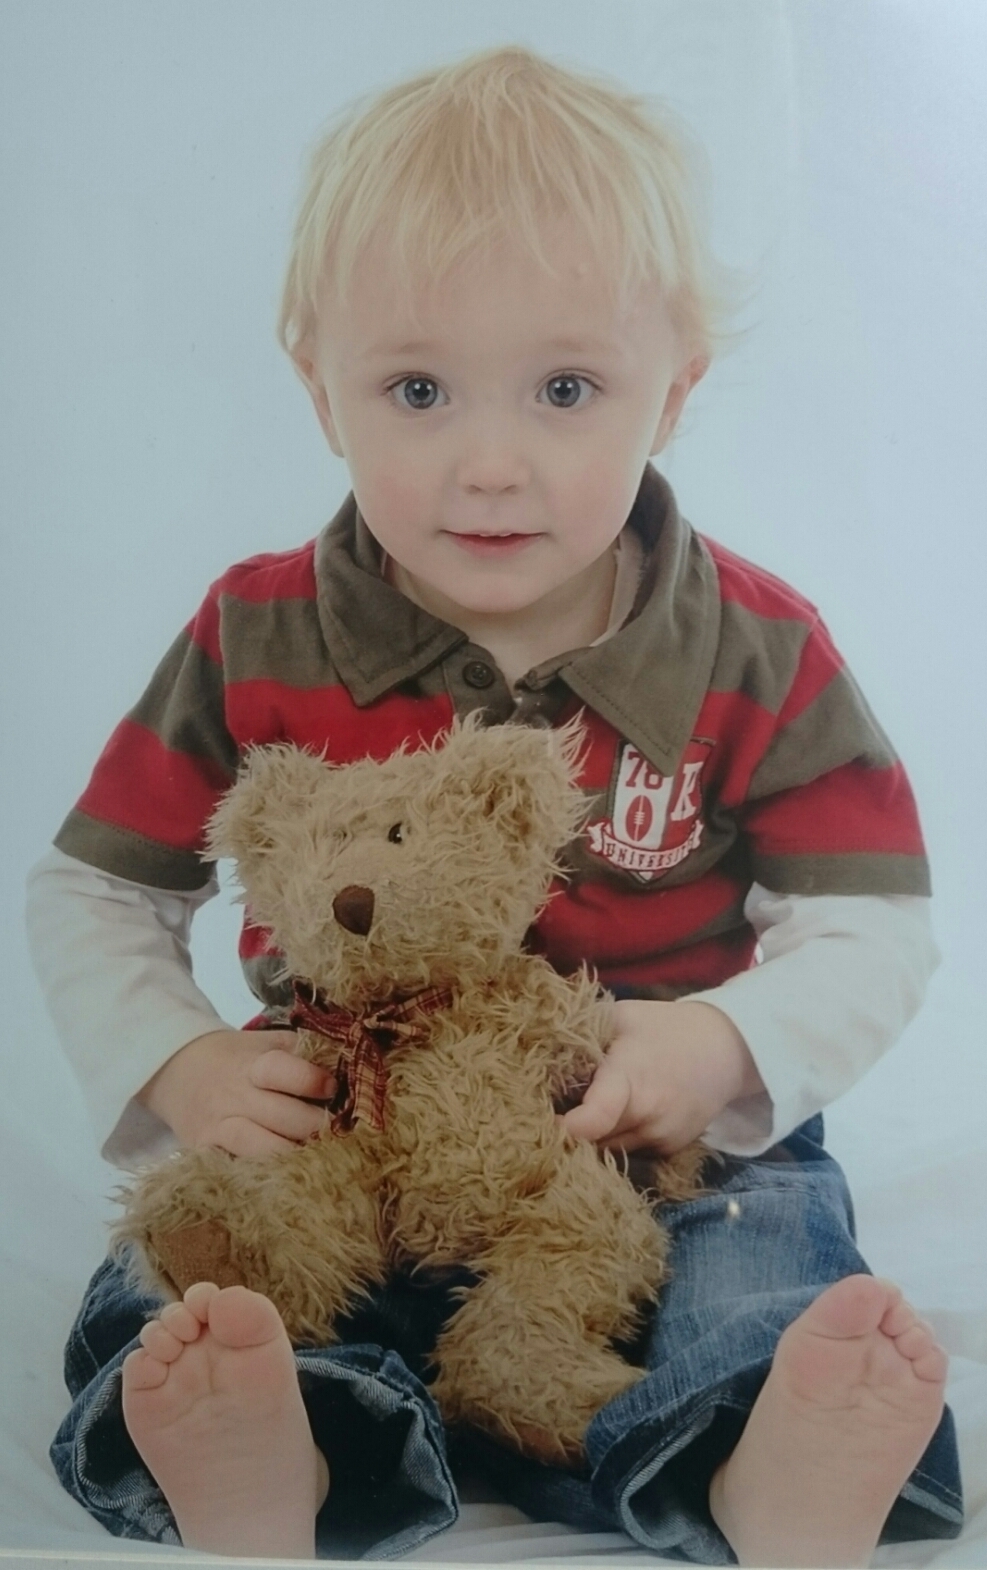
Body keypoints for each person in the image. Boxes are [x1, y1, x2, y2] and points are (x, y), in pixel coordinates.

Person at [26, 42, 963, 1567]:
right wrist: (180, 1061)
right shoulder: (253, 632)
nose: (489, 462)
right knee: (215, 1269)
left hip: (651, 1135)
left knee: (755, 1255)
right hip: (354, 1106)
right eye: (416, 388)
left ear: (676, 394)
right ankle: (290, 1443)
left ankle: (752, 1458)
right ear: (319, 394)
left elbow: (872, 921)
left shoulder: (757, 645)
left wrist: (727, 1045)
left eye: (566, 388)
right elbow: (95, 890)